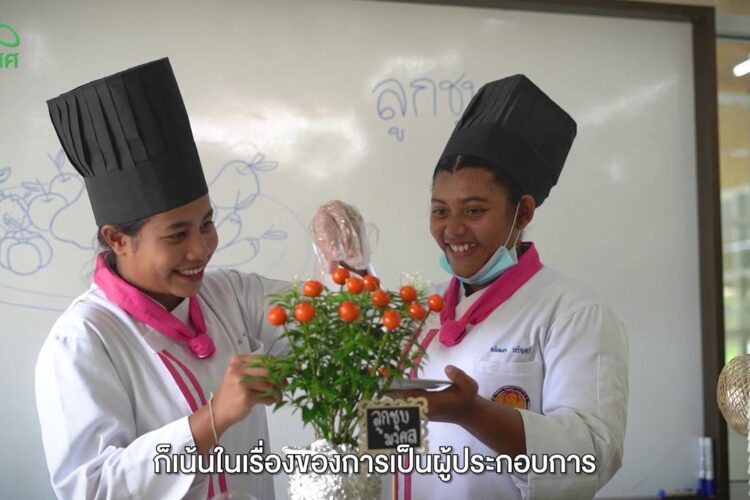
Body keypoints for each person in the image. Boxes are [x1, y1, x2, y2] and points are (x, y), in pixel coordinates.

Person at [35, 58, 363, 500]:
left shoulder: (230, 294)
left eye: (206, 224)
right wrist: (213, 417)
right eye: (177, 235)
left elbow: (340, 334)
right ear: (117, 239)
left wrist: (349, 270)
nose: (201, 249)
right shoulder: (82, 340)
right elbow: (92, 488)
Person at [395, 75, 629, 499]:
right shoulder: (420, 309)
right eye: (440, 211)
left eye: (474, 210)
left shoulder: (572, 310)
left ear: (522, 213)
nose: (453, 230)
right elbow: (398, 441)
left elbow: (593, 456)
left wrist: (472, 412)